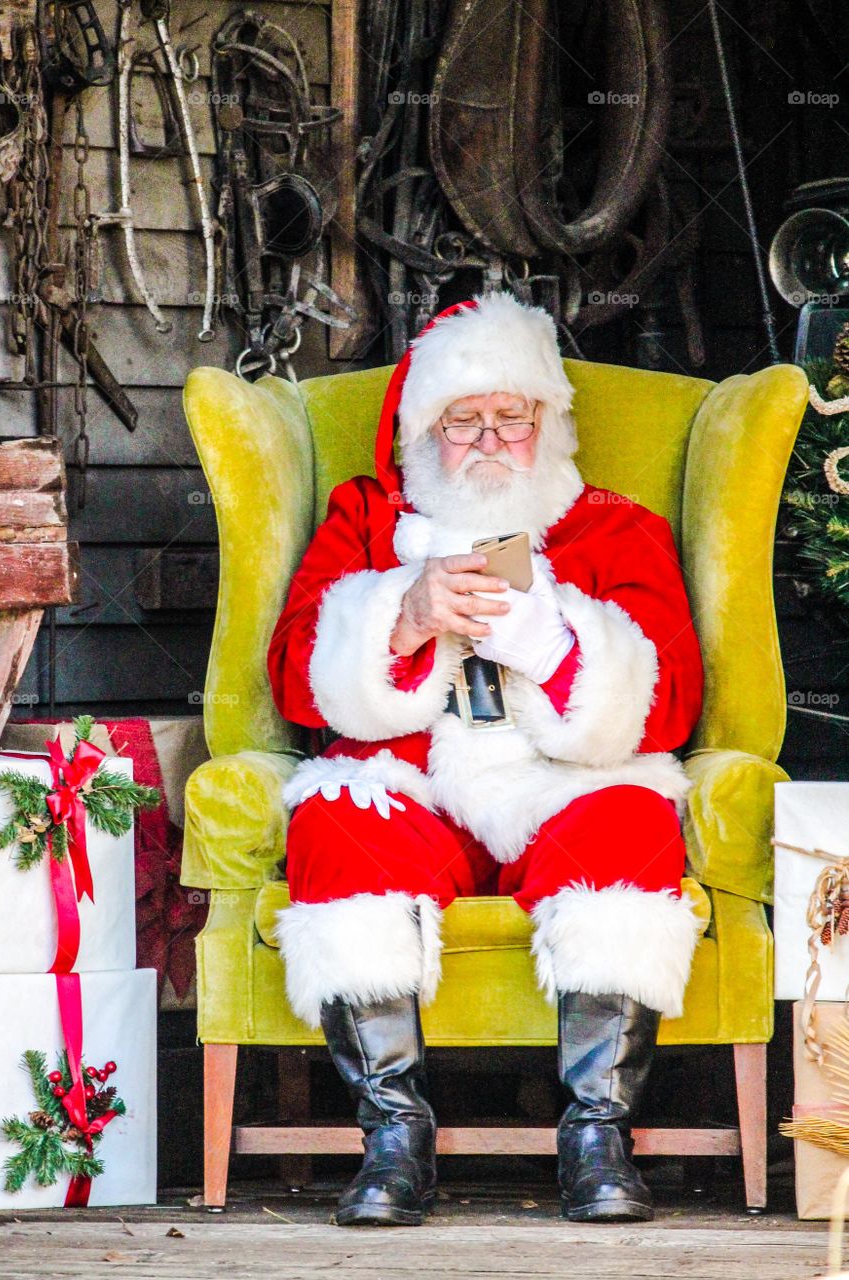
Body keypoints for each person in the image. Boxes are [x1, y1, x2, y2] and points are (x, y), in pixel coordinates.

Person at [266, 291, 705, 1226]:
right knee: (335, 822)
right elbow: (295, 681)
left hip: (564, 792)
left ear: (550, 425)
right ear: (422, 434)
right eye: (463, 421)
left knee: (634, 821)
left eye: (513, 417)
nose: (491, 441)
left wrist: (552, 645)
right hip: (413, 790)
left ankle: (597, 1137)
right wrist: (401, 617)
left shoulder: (613, 528)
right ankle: (394, 1137)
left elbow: (672, 704)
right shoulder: (365, 519)